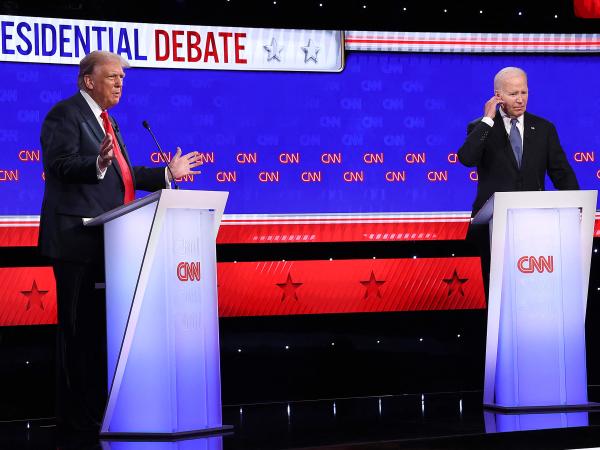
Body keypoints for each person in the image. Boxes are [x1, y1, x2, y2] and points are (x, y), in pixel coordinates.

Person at [39, 50, 202, 432]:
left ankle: (101, 412)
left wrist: (166, 172)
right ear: (88, 81)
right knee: (75, 333)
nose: (119, 83)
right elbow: (59, 165)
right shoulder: (65, 115)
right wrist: (95, 164)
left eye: (122, 78)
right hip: (76, 241)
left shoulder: (106, 122)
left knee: (99, 333)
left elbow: (123, 177)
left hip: (108, 243)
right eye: (111, 77)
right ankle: (74, 420)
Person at [457, 66, 579, 296]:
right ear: (498, 95)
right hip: (494, 225)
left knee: (532, 290)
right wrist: (487, 121)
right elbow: (466, 158)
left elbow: (561, 172)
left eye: (524, 92)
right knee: (497, 292)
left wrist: (576, 210)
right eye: (513, 94)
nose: (521, 100)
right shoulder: (481, 128)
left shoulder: (544, 128)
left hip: (535, 225)